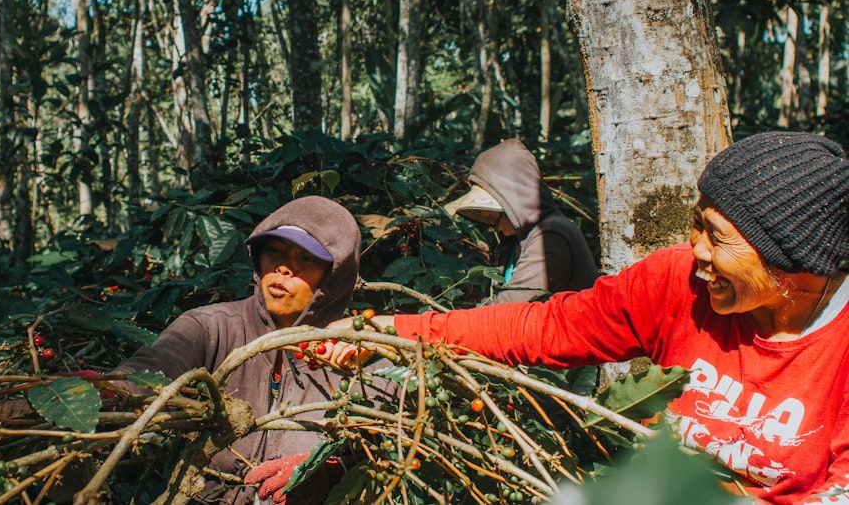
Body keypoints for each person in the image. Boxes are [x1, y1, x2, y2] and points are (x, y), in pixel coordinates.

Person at [327, 131, 849, 505]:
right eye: (696, 224)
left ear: (792, 259)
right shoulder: (675, 283)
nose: (696, 250)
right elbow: (543, 327)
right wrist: (390, 331)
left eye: (717, 235)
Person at [115, 195, 362, 505]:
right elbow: (152, 368)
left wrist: (326, 473)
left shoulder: (356, 351)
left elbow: (379, 451)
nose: (283, 268)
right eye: (274, 251)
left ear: (334, 276)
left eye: (306, 259)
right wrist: (105, 390)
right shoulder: (211, 327)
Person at [443, 139, 598, 303]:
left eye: (496, 216)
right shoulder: (515, 241)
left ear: (513, 203)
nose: (496, 228)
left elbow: (511, 308)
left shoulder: (552, 234)